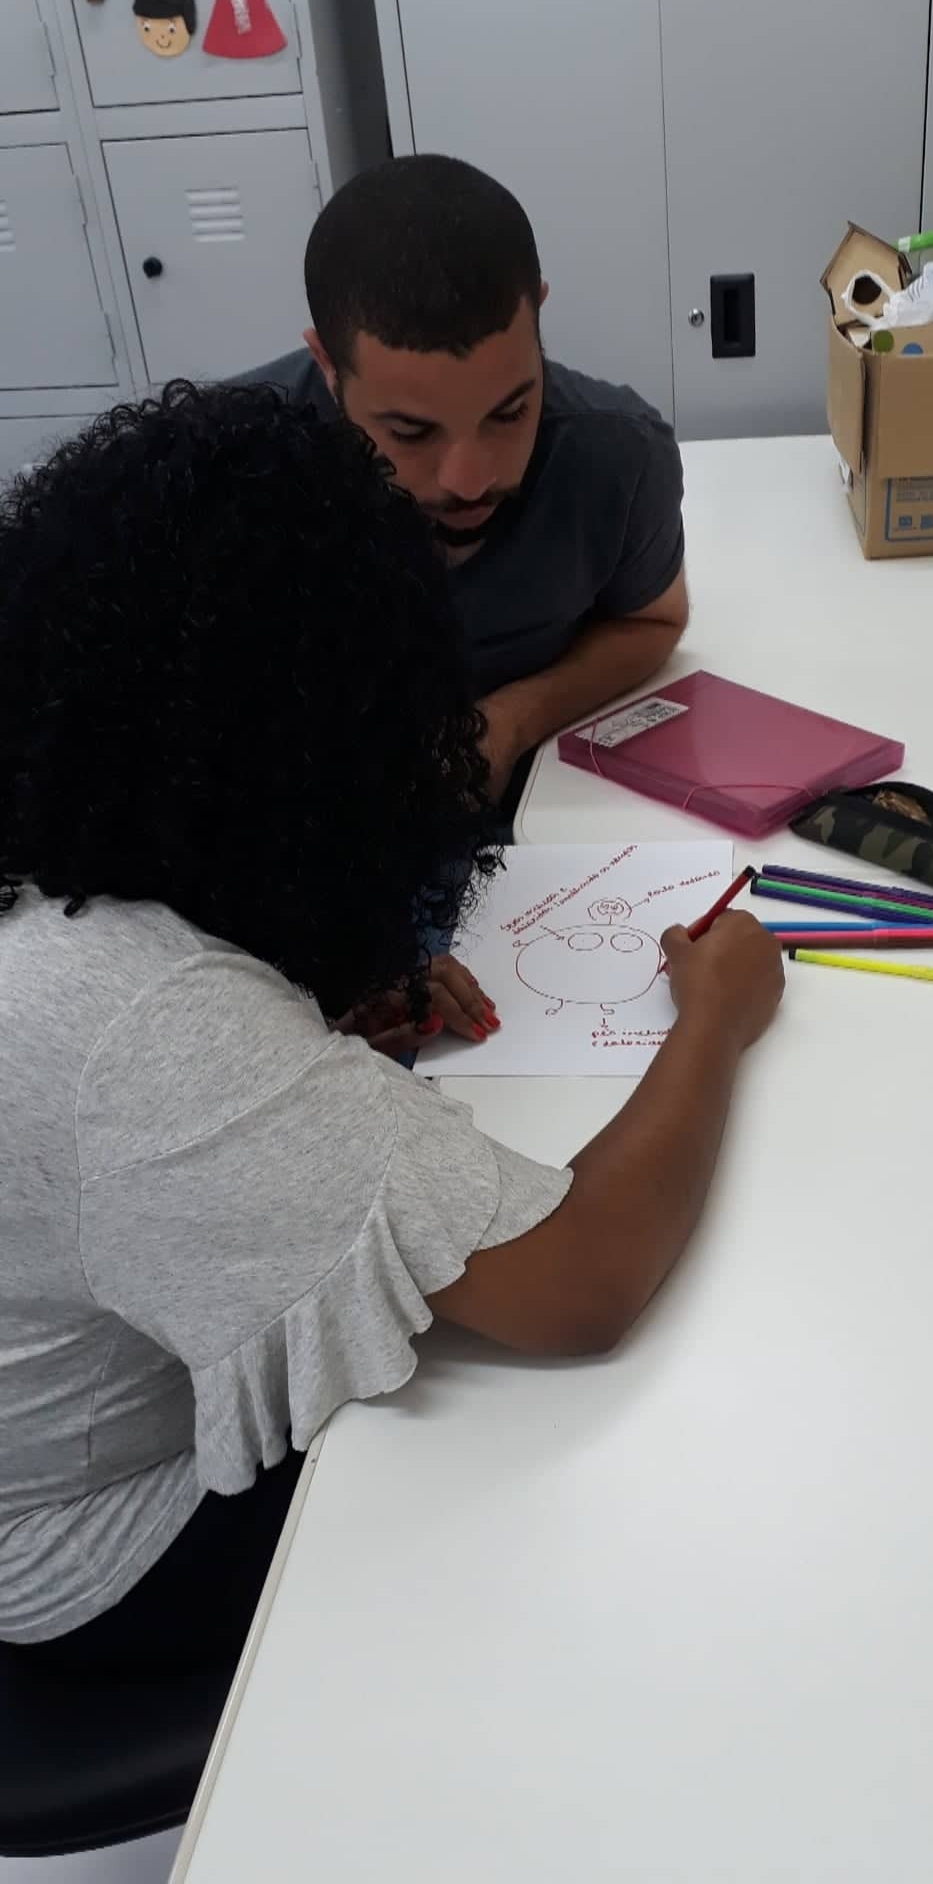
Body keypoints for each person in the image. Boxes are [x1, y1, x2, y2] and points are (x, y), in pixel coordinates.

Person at [0, 383, 781, 1673]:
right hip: (84, 1568)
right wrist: (717, 1014)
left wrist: (295, 1015)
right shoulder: (140, 1019)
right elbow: (584, 1281)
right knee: (585, 1526)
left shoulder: (56, 846)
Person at [239, 154, 689, 812]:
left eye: (510, 413)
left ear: (538, 314)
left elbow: (654, 620)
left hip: (541, 820)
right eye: (412, 432)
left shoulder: (618, 455)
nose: (472, 481)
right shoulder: (224, 476)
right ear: (327, 365)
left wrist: (510, 722)